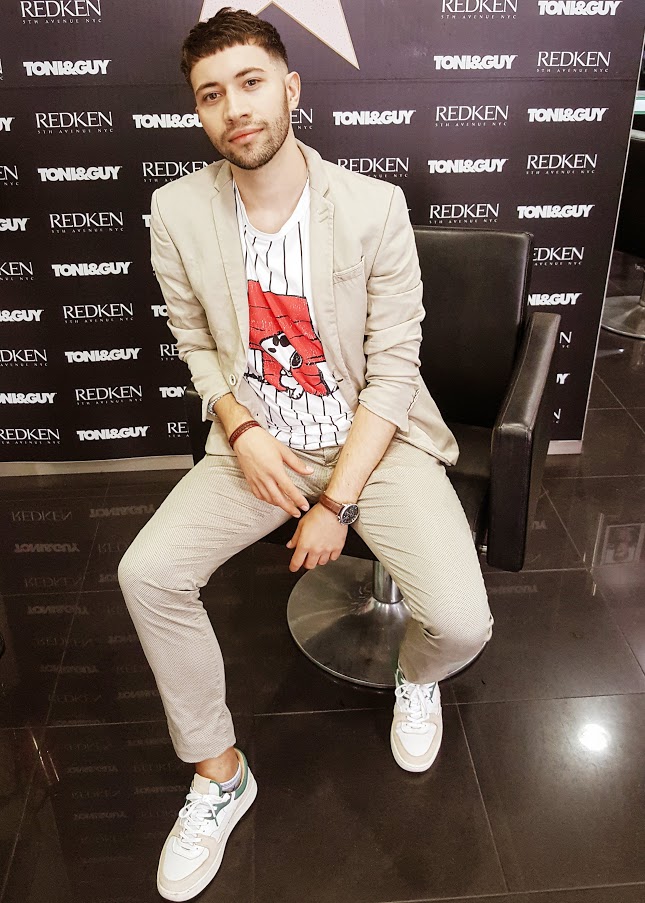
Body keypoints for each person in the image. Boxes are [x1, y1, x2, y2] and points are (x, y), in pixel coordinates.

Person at [117, 7, 494, 900]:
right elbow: (193, 336)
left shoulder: (372, 207)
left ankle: (414, 676)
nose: (233, 108)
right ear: (200, 114)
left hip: (373, 440)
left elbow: (394, 371)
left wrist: (337, 503)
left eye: (250, 83)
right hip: (258, 442)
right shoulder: (177, 209)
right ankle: (219, 773)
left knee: (464, 624)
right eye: (211, 95)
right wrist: (240, 427)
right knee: (147, 574)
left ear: (289, 89)